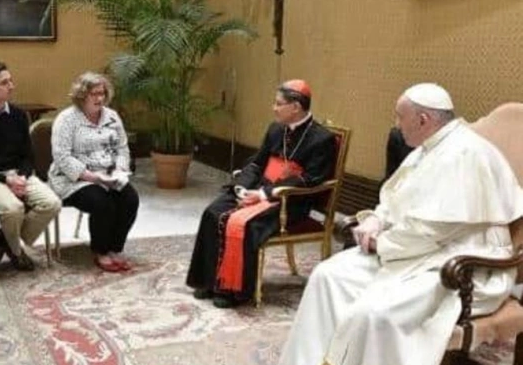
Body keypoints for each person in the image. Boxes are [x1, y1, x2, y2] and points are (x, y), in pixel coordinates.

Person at [278, 83, 523, 365]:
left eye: (399, 116)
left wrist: (381, 242)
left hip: (458, 263)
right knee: (327, 276)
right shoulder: (428, 148)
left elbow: (435, 230)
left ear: (423, 120)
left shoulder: (464, 154)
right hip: (414, 250)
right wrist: (376, 220)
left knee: (374, 313)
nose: (396, 124)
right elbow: (397, 198)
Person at [186, 79, 336, 308]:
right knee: (213, 212)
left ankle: (232, 291)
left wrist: (264, 194)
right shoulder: (276, 129)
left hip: (290, 201)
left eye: (279, 104)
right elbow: (257, 163)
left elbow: (310, 179)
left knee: (243, 224)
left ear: (296, 107)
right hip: (259, 189)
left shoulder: (321, 138)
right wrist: (242, 187)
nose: (274, 108)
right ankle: (209, 282)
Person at [0, 62, 61, 271]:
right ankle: (16, 251)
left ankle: (6, 240)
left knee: (52, 203)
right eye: (4, 83)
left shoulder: (19, 115)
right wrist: (6, 180)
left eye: (11, 81)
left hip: (19, 175)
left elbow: (28, 156)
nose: (11, 86)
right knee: (13, 209)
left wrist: (22, 177)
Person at [48, 71, 138, 272]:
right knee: (102, 202)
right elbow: (62, 157)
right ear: (82, 95)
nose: (100, 98)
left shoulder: (112, 117)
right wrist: (93, 177)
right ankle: (101, 251)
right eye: (94, 94)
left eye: (102, 93)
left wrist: (119, 170)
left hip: (109, 175)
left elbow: (122, 148)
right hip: (74, 179)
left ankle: (115, 248)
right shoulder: (67, 119)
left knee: (130, 199)